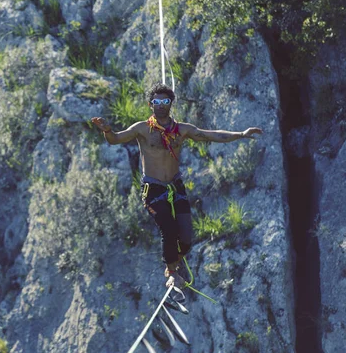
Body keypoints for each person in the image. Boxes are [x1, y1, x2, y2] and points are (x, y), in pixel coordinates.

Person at [91, 84, 263, 288]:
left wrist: (241, 134)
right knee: (168, 228)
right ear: (150, 104)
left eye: (165, 102)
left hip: (175, 185)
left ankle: (176, 259)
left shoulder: (182, 130)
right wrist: (107, 130)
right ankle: (172, 272)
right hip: (153, 188)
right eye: (157, 102)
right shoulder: (142, 129)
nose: (161, 105)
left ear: (171, 104)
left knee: (187, 237)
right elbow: (115, 139)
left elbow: (212, 135)